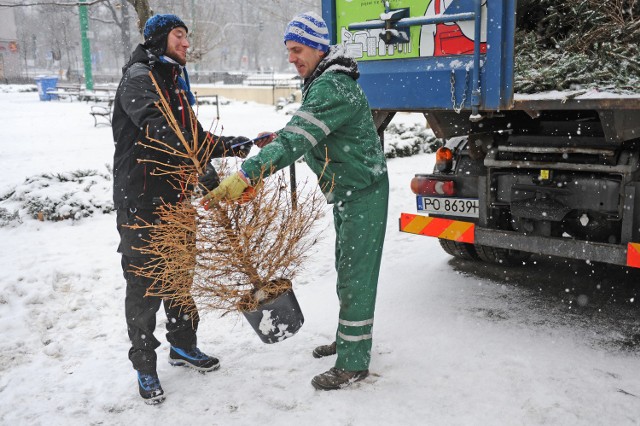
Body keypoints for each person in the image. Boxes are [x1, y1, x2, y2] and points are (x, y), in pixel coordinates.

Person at [202, 11, 389, 391]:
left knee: (356, 278)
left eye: (297, 49)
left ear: (319, 48)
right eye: (288, 50)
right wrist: (281, 139)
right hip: (351, 192)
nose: (291, 58)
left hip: (364, 193)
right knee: (347, 271)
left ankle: (353, 363)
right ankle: (348, 340)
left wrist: (246, 175)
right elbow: (305, 133)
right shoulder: (325, 82)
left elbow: (297, 140)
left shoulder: (332, 87)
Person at [112, 14, 251, 404]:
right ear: (158, 39)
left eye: (187, 37)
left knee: (179, 275)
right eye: (179, 36)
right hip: (140, 201)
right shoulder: (139, 78)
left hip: (174, 198)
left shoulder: (173, 82)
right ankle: (144, 365)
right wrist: (216, 147)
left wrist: (222, 157)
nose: (187, 43)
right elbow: (164, 132)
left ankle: (182, 345)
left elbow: (191, 140)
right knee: (144, 284)